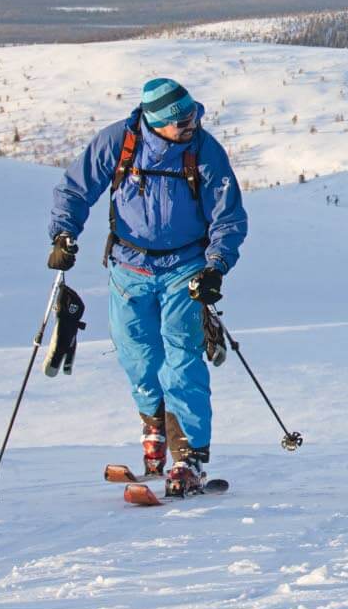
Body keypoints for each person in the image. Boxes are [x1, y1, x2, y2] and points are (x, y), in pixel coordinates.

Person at [47, 78, 248, 496]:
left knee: (182, 357)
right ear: (155, 122)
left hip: (185, 268)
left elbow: (228, 217)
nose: (190, 124)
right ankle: (154, 427)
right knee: (137, 354)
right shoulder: (118, 143)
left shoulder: (204, 151)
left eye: (192, 115)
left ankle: (188, 455)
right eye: (181, 121)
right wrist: (63, 235)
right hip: (128, 267)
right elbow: (75, 189)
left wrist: (216, 266)